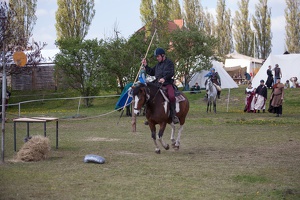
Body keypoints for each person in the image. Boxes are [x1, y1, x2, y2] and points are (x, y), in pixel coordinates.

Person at [142, 47, 179, 124]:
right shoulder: (158, 65)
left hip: (167, 83)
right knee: (149, 94)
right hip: (157, 84)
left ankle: (173, 115)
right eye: (156, 57)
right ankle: (149, 116)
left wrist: (164, 78)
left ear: (163, 55)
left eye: (158, 56)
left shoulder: (169, 63)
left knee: (172, 96)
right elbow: (152, 72)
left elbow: (171, 72)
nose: (157, 58)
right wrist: (146, 65)